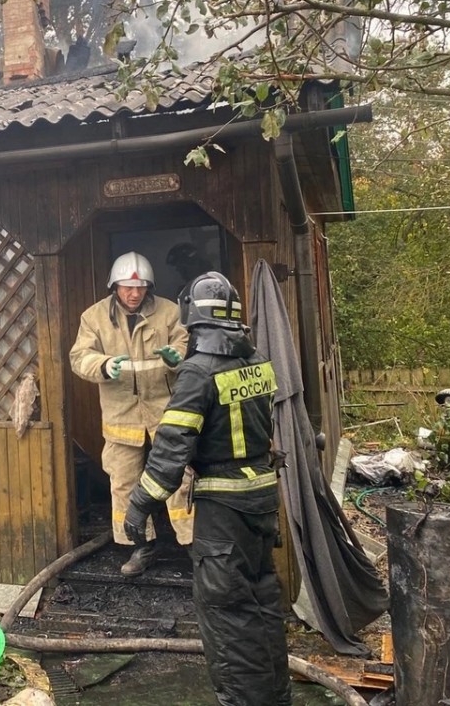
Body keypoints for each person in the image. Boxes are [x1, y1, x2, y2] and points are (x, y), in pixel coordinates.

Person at [123, 271, 291, 706]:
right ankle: (276, 696)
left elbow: (170, 451)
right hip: (261, 500)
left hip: (224, 513)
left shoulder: (197, 373)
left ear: (194, 323)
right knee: (262, 603)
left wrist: (139, 505)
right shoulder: (258, 363)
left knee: (227, 614)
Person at [70, 251, 194, 576]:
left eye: (140, 288)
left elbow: (186, 344)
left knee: (180, 478)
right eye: (127, 287)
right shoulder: (93, 317)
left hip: (165, 414)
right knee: (124, 483)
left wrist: (175, 357)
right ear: (115, 286)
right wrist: (103, 365)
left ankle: (193, 544)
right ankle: (141, 547)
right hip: (120, 416)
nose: (134, 293)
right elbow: (78, 357)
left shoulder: (169, 312)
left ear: (149, 287)